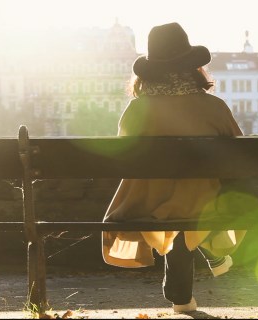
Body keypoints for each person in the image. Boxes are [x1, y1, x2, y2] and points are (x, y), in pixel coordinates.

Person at [101, 22, 246, 313]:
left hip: (148, 203)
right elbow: (240, 153)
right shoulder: (214, 107)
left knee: (174, 210)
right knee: (195, 204)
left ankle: (182, 298)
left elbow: (123, 156)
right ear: (194, 69)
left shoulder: (137, 110)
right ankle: (213, 251)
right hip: (205, 201)